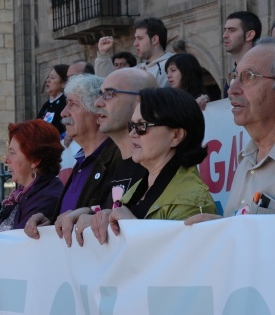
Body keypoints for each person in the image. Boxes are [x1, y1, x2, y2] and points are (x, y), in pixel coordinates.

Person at [185, 37, 275, 225]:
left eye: (248, 77)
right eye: (234, 77)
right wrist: (217, 228)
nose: (231, 90)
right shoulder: (246, 158)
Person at [91, 88, 216, 244]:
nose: (132, 134)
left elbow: (180, 263)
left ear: (176, 135)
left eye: (142, 126)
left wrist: (133, 228)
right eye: (132, 126)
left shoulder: (190, 199)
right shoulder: (138, 187)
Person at [55, 68, 157, 247]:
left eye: (109, 94)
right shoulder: (110, 163)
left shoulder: (153, 165)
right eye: (100, 95)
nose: (98, 103)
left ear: (139, 101)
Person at [24, 74, 122, 239]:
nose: (63, 113)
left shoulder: (118, 159)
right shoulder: (80, 162)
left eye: (73, 104)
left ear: (98, 113)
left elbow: (113, 216)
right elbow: (72, 217)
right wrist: (48, 223)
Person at [0, 120, 64, 232]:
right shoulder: (23, 194)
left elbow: (20, 243)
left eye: (12, 153)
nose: (6, 160)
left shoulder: (47, 197)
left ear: (35, 160)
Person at [95, 17, 173, 86]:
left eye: (140, 38)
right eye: (135, 38)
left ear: (154, 39)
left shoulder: (171, 67)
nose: (135, 44)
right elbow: (109, 84)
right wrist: (103, 54)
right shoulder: (137, 69)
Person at [222, 11, 262, 97]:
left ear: (249, 35)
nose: (225, 35)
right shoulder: (232, 76)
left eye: (232, 30)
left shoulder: (263, 71)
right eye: (225, 30)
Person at [37, 64, 69, 136]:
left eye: (52, 78)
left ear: (63, 84)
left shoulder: (65, 103)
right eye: (48, 77)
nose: (47, 80)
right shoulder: (47, 105)